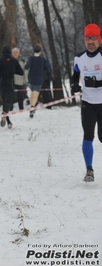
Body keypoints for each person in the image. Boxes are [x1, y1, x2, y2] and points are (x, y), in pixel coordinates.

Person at [71, 23, 102, 182]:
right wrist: (74, 85)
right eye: (87, 39)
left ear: (99, 39)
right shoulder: (79, 58)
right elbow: (75, 75)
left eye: (93, 39)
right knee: (88, 136)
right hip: (88, 103)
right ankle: (89, 170)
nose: (90, 42)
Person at [0, 46, 24, 129]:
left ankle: (7, 119)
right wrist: (13, 70)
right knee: (8, 102)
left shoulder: (0, 60)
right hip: (10, 83)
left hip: (1, 83)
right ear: (10, 53)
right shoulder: (14, 61)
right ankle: (5, 116)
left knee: (5, 102)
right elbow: (21, 72)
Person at [25, 44, 51, 118]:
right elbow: (48, 69)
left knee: (33, 93)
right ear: (40, 51)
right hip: (39, 78)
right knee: (35, 94)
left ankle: (32, 106)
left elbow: (27, 67)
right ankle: (32, 107)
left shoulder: (31, 58)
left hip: (31, 78)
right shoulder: (43, 59)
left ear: (33, 51)